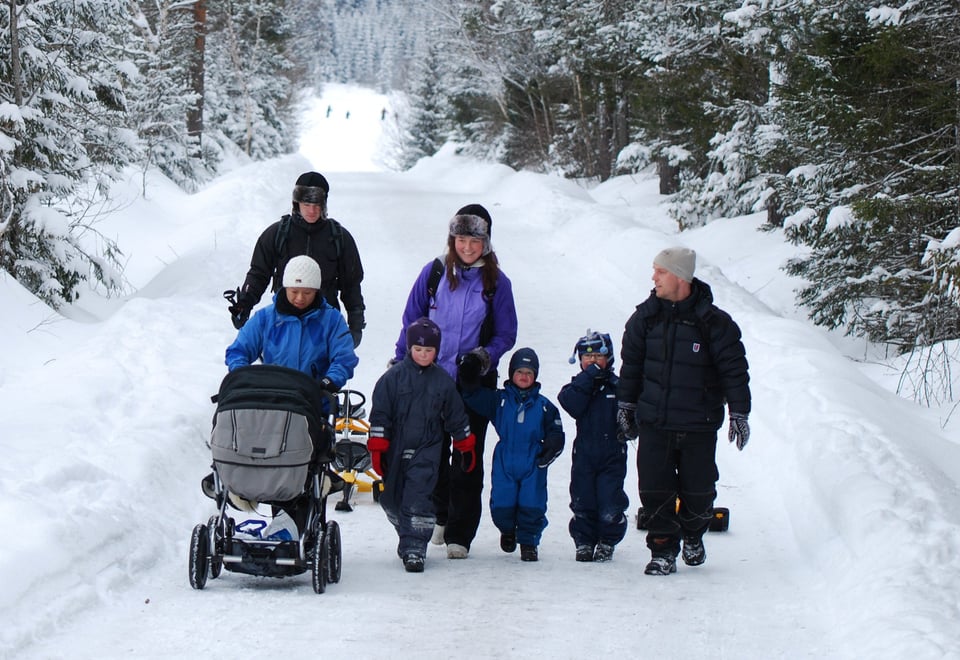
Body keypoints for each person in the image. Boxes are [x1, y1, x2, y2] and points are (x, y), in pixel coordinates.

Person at [392, 204, 518, 559]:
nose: (467, 247)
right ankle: (440, 514)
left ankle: (460, 532)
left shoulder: (497, 283)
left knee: (467, 458)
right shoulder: (433, 272)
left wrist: (483, 357)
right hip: (431, 378)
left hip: (472, 383)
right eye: (461, 240)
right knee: (431, 454)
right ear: (452, 240)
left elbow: (506, 333)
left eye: (474, 241)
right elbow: (412, 320)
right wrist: (401, 362)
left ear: (486, 243)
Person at [616, 247, 751, 576]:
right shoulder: (644, 319)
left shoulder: (715, 323)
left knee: (699, 492)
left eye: (660, 271)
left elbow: (734, 371)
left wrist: (739, 413)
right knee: (654, 491)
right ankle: (662, 550)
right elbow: (631, 368)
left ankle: (693, 533)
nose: (654, 278)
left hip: (698, 425)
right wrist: (626, 406)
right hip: (655, 423)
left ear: (680, 277)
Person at [224, 255, 359, 533]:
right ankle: (273, 514)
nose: (299, 298)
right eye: (294, 291)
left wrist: (329, 381)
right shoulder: (266, 318)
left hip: (311, 404)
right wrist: (244, 377)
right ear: (284, 287)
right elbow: (238, 351)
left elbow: (344, 357)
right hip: (271, 404)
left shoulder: (331, 320)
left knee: (306, 462)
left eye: (307, 292)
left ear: (317, 291)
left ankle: (297, 526)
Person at [368, 318, 476, 573]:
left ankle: (415, 548)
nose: (423, 355)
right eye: (418, 349)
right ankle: (406, 532)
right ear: (409, 348)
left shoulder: (443, 382)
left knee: (418, 497)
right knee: (391, 499)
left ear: (436, 351)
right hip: (396, 448)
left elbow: (456, 415)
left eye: (429, 350)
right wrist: (378, 446)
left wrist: (464, 443)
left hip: (427, 448)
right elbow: (380, 414)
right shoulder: (392, 379)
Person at [227, 171, 366, 348]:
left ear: (324, 204)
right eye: (307, 204)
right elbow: (258, 273)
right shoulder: (276, 234)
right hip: (282, 323)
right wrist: (244, 304)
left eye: (317, 204)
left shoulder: (340, 238)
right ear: (296, 203)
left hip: (325, 325)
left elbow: (351, 285)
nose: (312, 210)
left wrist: (356, 324)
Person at [458, 347, 564, 562]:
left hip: (533, 460)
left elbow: (556, 430)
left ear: (535, 376)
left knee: (532, 502)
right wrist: (468, 376)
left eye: (529, 373)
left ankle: (529, 542)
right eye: (519, 372)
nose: (524, 376)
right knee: (502, 501)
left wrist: (552, 445)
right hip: (505, 458)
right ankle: (507, 530)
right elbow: (473, 396)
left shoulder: (544, 405)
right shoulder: (499, 400)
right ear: (511, 373)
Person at [557, 330, 629, 563]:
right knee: (582, 499)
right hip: (585, 454)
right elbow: (570, 403)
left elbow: (633, 410)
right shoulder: (580, 386)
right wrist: (588, 379)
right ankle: (584, 541)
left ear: (609, 359)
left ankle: (608, 540)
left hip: (612, 454)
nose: (593, 361)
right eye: (587, 357)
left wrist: (630, 424)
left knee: (610, 501)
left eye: (599, 356)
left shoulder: (617, 387)